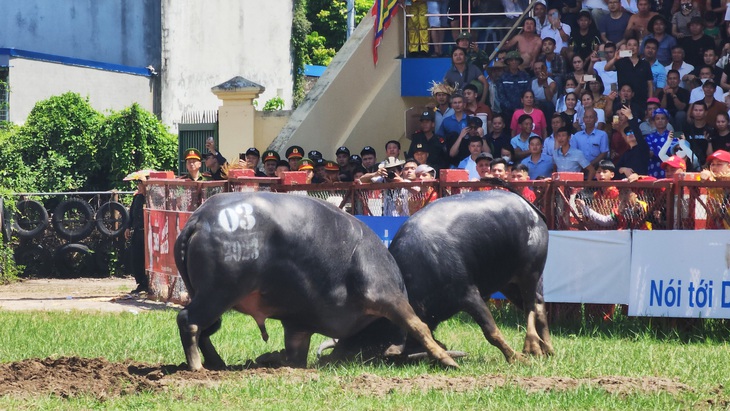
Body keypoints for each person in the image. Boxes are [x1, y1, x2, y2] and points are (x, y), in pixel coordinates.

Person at [604, 38, 654, 113]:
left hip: (641, 99)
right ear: (626, 47)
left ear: (638, 48)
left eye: (634, 45)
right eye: (629, 45)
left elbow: (650, 84)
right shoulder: (621, 61)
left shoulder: (645, 64)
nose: (632, 47)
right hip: (624, 99)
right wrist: (615, 58)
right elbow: (606, 68)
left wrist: (650, 101)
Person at [123, 170, 150, 294]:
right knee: (136, 257)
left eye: (141, 184)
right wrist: (128, 227)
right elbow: (131, 213)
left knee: (147, 258)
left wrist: (146, 185)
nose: (139, 186)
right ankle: (140, 283)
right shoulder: (137, 197)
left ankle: (148, 283)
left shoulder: (151, 197)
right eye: (138, 184)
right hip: (138, 231)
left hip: (148, 232)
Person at [614, 105, 651, 178]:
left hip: (642, 184)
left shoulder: (642, 148)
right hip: (627, 186)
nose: (630, 134)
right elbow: (615, 169)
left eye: (632, 132)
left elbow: (637, 131)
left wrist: (630, 116)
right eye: (627, 133)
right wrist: (623, 169)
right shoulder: (626, 153)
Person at [495, 51, 532, 121]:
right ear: (508, 62)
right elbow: (501, 96)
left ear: (519, 62)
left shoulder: (525, 76)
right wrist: (512, 108)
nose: (514, 62)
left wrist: (521, 108)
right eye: (511, 60)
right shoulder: (502, 77)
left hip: (524, 111)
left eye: (516, 60)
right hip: (507, 113)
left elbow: (528, 92)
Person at [699, 149, 730, 229]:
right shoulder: (710, 179)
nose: (714, 168)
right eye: (712, 164)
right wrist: (706, 174)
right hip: (714, 232)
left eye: (719, 164)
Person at [683, 101, 713, 168]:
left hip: (707, 166)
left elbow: (713, 152)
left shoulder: (711, 130)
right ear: (692, 112)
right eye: (695, 110)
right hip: (689, 165)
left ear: (706, 112)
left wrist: (706, 165)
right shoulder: (686, 129)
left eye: (700, 110)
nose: (698, 112)